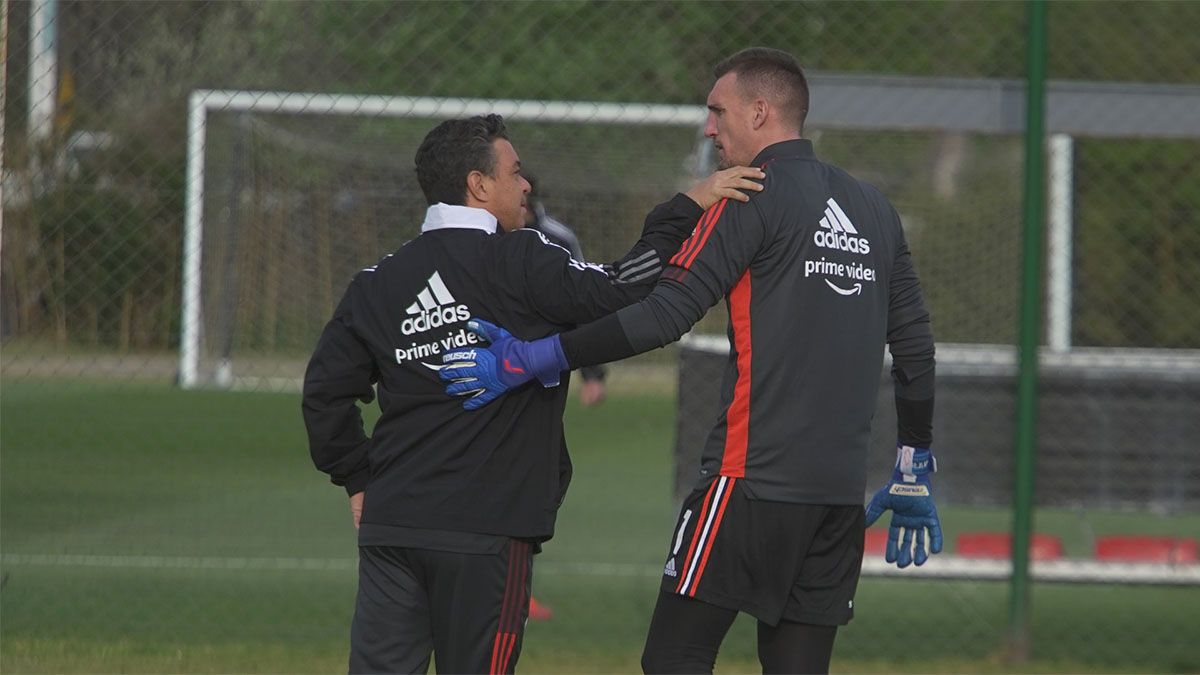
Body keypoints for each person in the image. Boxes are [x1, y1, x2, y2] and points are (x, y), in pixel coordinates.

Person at [440, 48, 940, 674]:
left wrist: (534, 357)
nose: (709, 127)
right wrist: (914, 464)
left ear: (759, 112)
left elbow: (662, 315)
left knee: (674, 658)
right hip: (837, 499)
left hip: (747, 483)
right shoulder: (875, 210)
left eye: (717, 110)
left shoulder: (747, 195)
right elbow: (916, 350)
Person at [302, 113, 763, 674]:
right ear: (478, 184)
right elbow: (625, 285)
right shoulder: (521, 258)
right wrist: (689, 203)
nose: (526, 185)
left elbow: (325, 394)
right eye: (515, 172)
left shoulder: (376, 282)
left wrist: (356, 476)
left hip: (392, 525)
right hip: (488, 532)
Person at [522, 172, 608, 407]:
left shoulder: (558, 240)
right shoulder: (486, 237)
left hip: (546, 364)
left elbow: (580, 303)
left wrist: (592, 375)